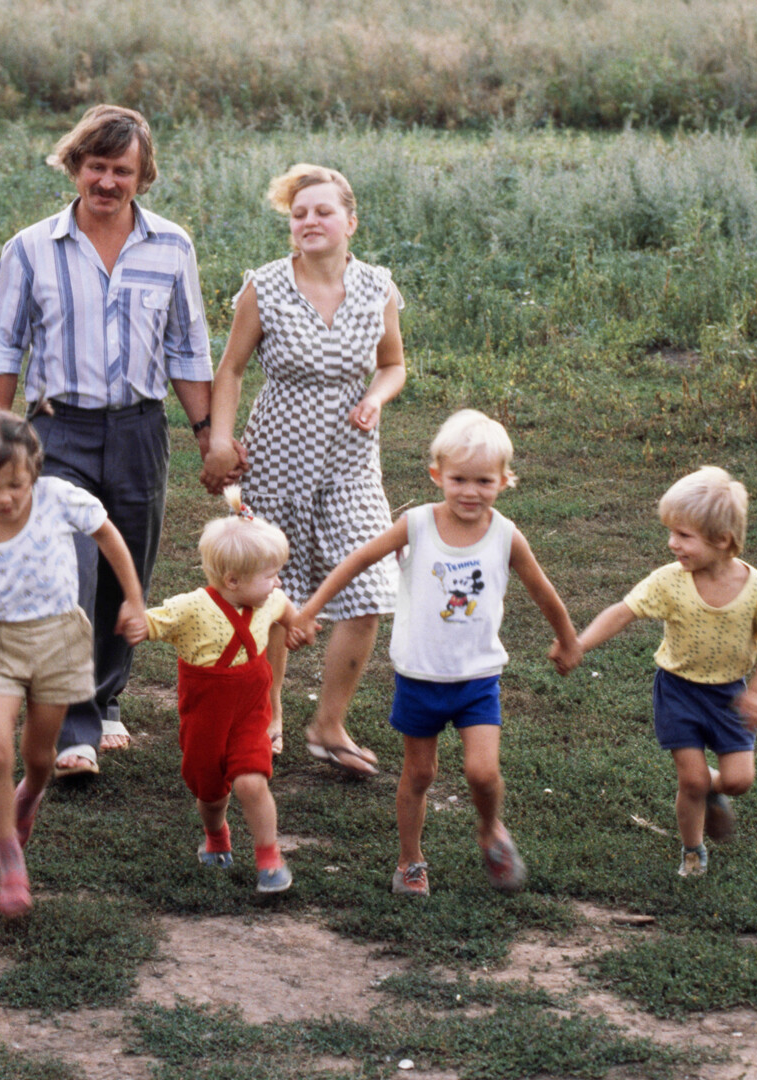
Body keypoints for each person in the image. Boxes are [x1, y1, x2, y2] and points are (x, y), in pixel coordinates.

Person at [0, 104, 215, 777]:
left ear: (142, 177)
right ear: (75, 166)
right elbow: (2, 348)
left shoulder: (172, 246)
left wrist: (207, 437)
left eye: (123, 171)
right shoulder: (30, 248)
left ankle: (106, 699)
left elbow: (188, 348)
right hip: (58, 433)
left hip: (140, 429)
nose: (107, 182)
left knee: (124, 570)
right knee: (70, 569)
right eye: (96, 166)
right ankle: (72, 728)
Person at [289, 410, 581, 897]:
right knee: (419, 774)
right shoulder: (417, 525)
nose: (470, 491)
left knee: (482, 772)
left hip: (477, 679)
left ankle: (490, 829)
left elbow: (544, 591)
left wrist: (567, 638)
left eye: (484, 481)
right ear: (437, 476)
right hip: (420, 677)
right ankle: (410, 861)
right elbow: (358, 560)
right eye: (458, 479)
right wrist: (309, 609)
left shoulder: (506, 536)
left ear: (505, 481)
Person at [200, 164, 407, 777]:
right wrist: (219, 438)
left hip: (349, 464)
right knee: (268, 591)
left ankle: (329, 723)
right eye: (299, 214)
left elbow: (394, 363)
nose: (310, 222)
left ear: (350, 220)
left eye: (322, 211)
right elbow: (232, 368)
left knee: (367, 591)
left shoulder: (379, 288)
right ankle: (269, 715)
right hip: (275, 461)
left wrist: (376, 396)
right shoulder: (263, 287)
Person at [0, 411, 146, 917]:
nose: (4, 497)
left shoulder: (61, 499)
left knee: (39, 756)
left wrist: (133, 599)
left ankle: (29, 795)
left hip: (60, 640)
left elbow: (110, 537)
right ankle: (8, 856)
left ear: (35, 472)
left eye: (16, 485)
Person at [573, 467, 757, 878]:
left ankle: (713, 789)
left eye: (684, 535)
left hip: (730, 695)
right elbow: (624, 612)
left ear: (722, 540)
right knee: (690, 780)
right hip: (678, 691)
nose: (672, 543)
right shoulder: (670, 582)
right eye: (671, 532)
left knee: (739, 780)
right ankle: (693, 849)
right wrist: (580, 644)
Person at [139, 491, 308, 893]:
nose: (278, 582)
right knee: (210, 793)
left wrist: (299, 626)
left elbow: (285, 609)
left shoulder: (267, 599)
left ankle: (269, 858)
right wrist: (129, 626)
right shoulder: (191, 607)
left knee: (252, 781)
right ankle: (216, 836)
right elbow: (151, 623)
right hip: (205, 719)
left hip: (249, 714)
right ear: (233, 580)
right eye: (271, 574)